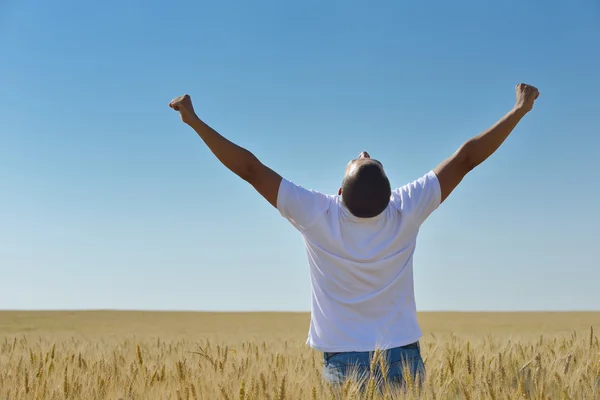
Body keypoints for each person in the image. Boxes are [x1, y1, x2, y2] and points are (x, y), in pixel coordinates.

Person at [168, 83, 540, 387]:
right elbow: (465, 160)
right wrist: (519, 109)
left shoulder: (318, 214)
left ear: (340, 194)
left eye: (362, 159)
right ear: (391, 194)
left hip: (344, 366)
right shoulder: (405, 210)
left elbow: (250, 169)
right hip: (403, 363)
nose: (362, 151)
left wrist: (195, 121)